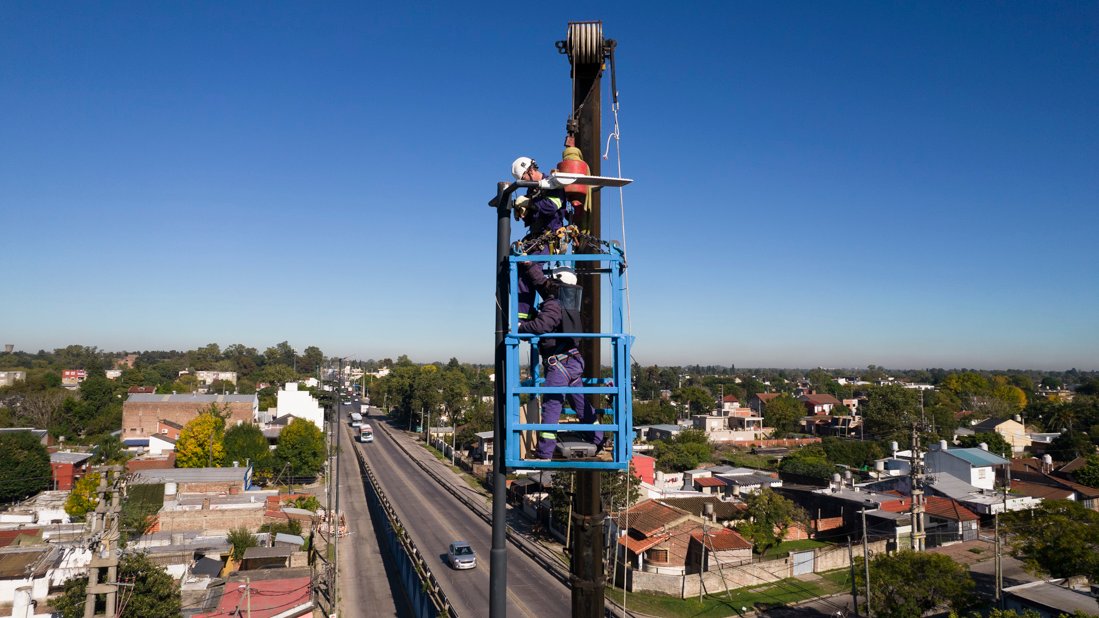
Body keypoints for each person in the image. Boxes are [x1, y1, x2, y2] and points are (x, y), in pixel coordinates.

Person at [518, 270, 603, 459]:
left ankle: (544, 453)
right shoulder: (568, 304)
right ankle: (598, 439)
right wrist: (530, 266)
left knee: (551, 407)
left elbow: (543, 326)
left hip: (559, 365)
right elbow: (542, 283)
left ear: (556, 284)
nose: (547, 284)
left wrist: (521, 327)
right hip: (572, 361)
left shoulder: (554, 305)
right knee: (581, 405)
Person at [510, 156, 567, 321]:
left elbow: (553, 205)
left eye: (523, 178)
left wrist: (531, 204)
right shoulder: (532, 189)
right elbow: (534, 215)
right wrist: (524, 212)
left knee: (530, 268)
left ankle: (534, 314)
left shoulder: (552, 182)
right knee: (518, 267)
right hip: (536, 238)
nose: (524, 182)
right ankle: (524, 316)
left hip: (550, 237)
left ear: (530, 170)